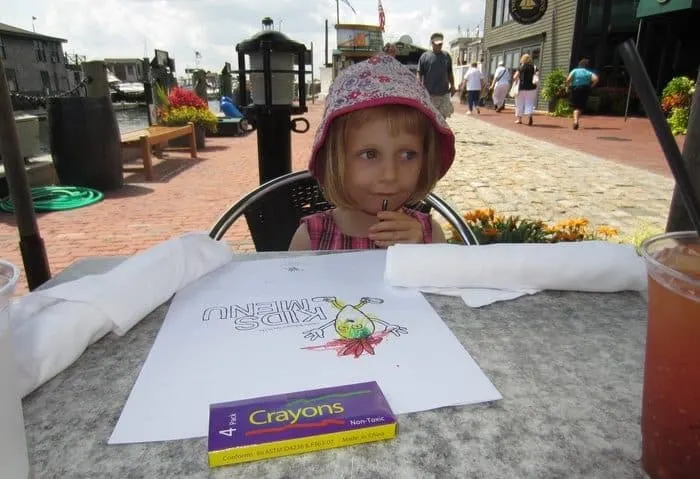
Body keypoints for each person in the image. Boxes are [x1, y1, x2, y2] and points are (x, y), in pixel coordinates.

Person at [289, 54, 456, 251]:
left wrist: (419, 255)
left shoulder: (430, 236)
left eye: (408, 155)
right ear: (335, 160)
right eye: (370, 154)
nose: (390, 175)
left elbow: (441, 281)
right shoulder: (310, 239)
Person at [417, 32, 457, 119]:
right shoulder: (425, 56)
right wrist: (418, 85)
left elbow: (450, 72)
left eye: (441, 44)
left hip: (444, 93)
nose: (439, 46)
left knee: (442, 118)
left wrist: (453, 85)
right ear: (432, 43)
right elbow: (419, 72)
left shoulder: (446, 56)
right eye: (437, 44)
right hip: (430, 94)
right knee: (431, 118)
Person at [566, 58, 599, 130]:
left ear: (579, 65)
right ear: (587, 66)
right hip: (585, 89)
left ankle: (575, 121)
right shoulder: (588, 72)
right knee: (580, 107)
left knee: (575, 107)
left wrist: (567, 87)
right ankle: (576, 120)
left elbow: (568, 80)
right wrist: (591, 86)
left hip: (575, 89)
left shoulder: (575, 70)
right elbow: (596, 79)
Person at [511, 54, 537, 125]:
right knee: (529, 103)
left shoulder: (521, 67)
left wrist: (517, 80)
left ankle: (519, 119)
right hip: (532, 88)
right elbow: (536, 76)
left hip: (522, 88)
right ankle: (529, 117)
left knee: (519, 103)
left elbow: (514, 77)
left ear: (522, 59)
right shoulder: (534, 67)